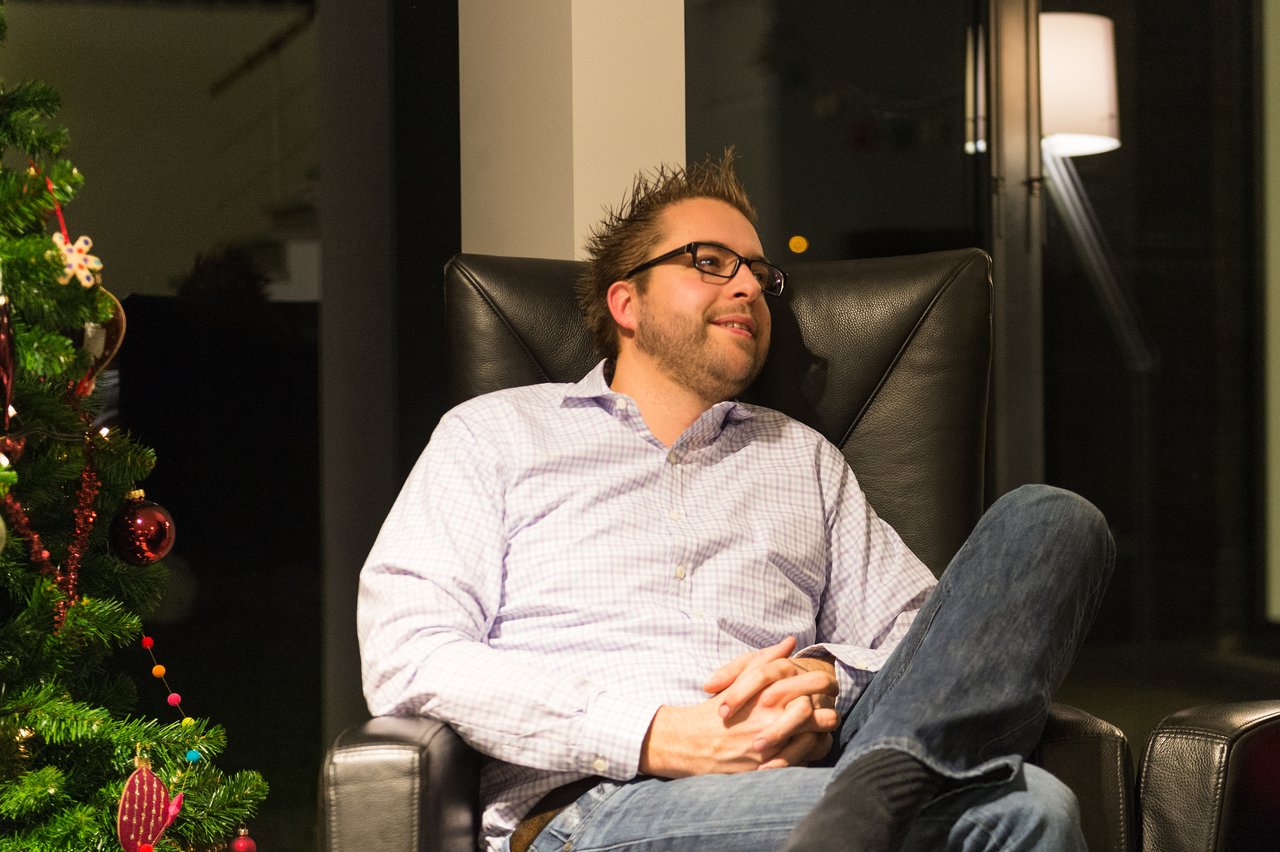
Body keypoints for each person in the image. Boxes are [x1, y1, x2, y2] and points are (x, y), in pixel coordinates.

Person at [357, 151, 1114, 852]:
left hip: (816, 774)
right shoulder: (496, 434)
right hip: (601, 804)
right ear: (627, 303)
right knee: (1031, 808)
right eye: (710, 262)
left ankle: (879, 791)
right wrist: (655, 733)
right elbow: (409, 651)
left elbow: (921, 639)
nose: (749, 286)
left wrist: (826, 679)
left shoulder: (804, 459)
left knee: (1053, 520)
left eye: (758, 272)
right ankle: (876, 803)